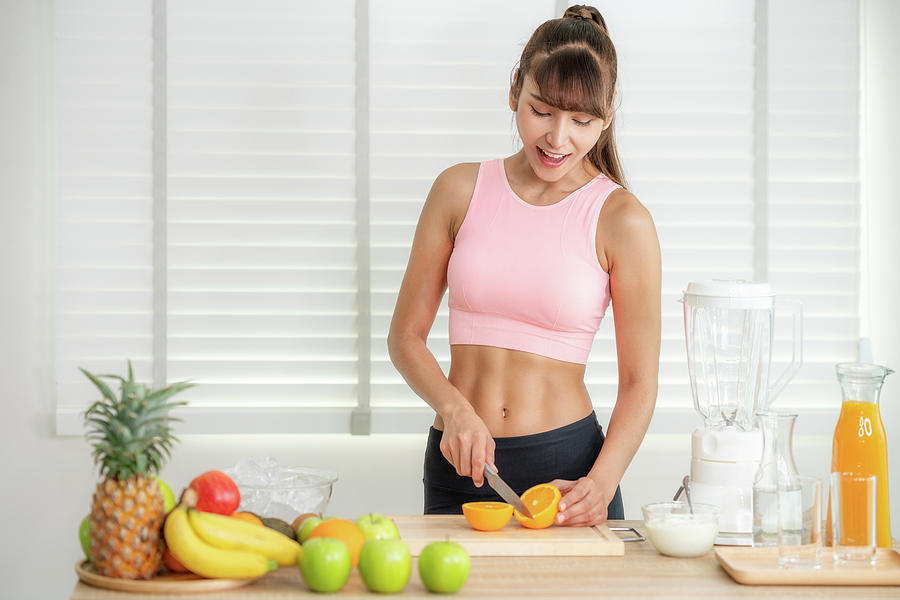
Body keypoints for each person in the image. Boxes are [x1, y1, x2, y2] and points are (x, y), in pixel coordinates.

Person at [387, 5, 661, 527]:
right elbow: (405, 336)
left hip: (569, 469)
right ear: (515, 89)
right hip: (460, 464)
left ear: (607, 115)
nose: (558, 139)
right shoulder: (458, 189)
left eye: (582, 122)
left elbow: (640, 382)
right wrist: (454, 410)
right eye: (541, 111)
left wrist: (599, 485)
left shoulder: (623, 219)